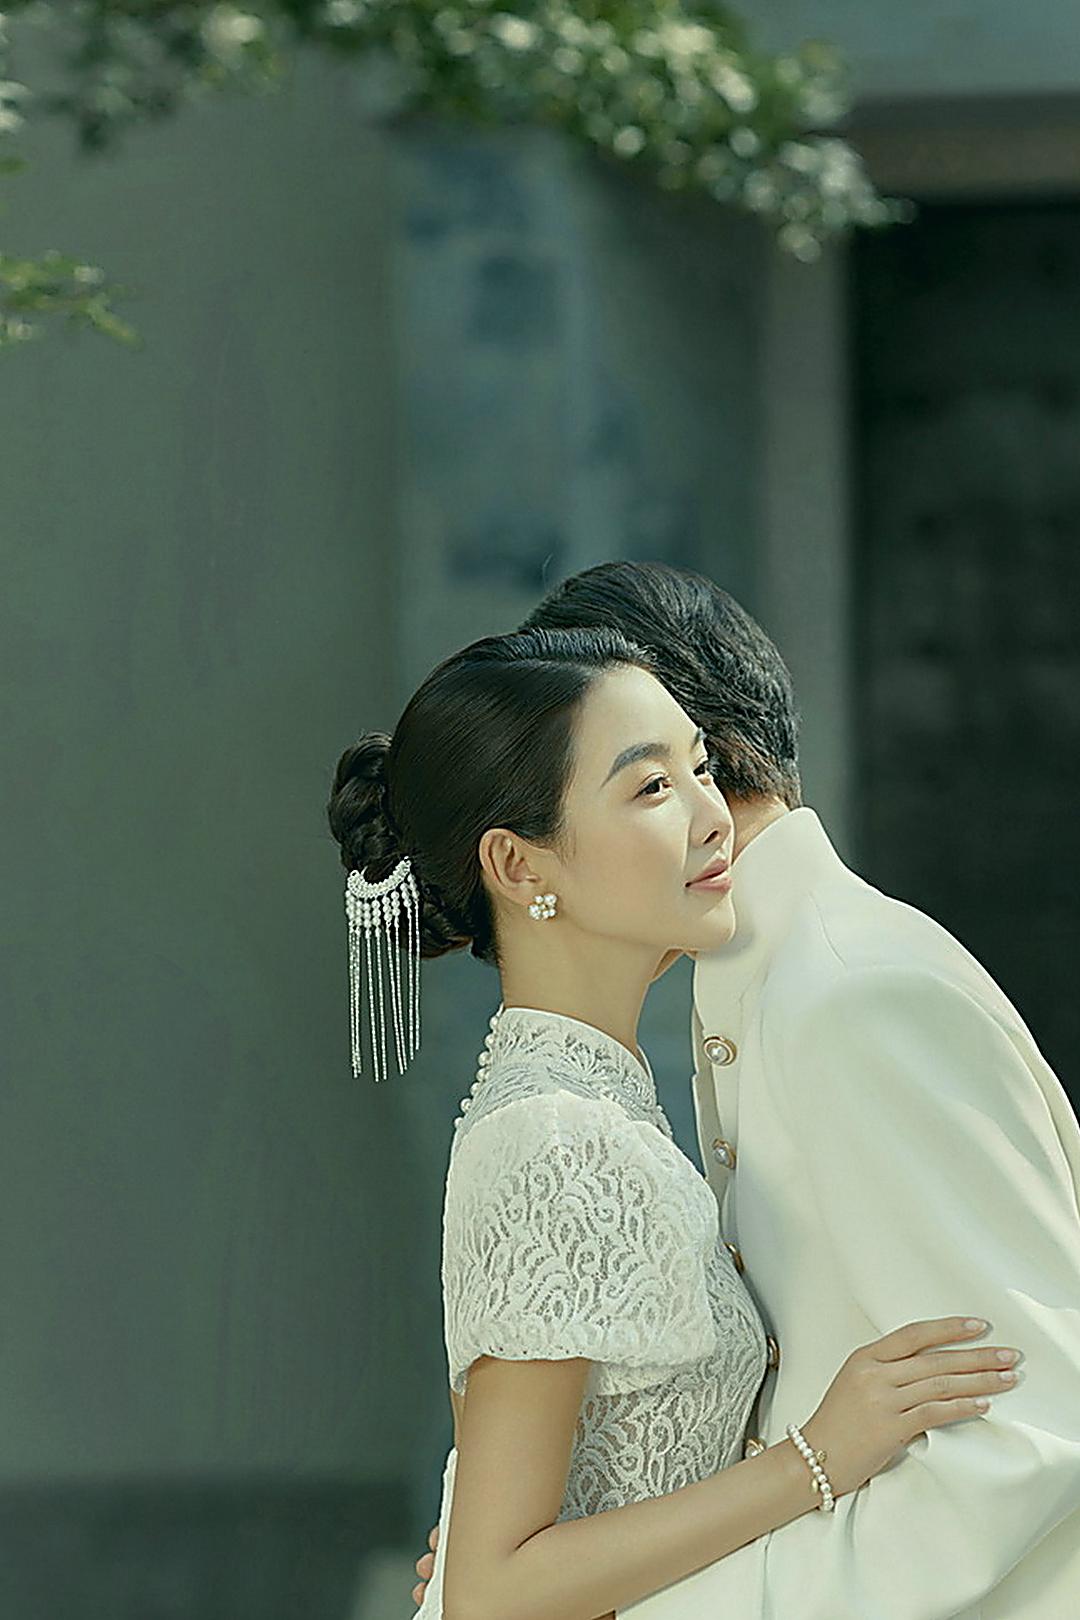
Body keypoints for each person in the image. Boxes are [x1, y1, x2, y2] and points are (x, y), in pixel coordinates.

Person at [411, 562, 1080, 1620]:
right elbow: (500, 1580)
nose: (706, 814)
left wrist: (598, 1579)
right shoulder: (587, 1100)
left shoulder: (849, 997)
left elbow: (1027, 1433)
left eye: (695, 769)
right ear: (523, 862)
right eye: (651, 783)